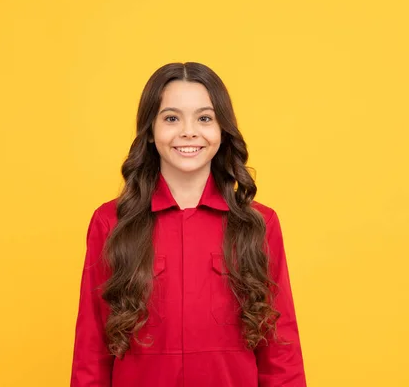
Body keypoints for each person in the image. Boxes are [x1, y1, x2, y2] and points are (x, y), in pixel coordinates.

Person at [70, 62, 306, 386]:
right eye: (171, 118)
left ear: (222, 131)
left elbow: (280, 350)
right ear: (150, 132)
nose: (188, 131)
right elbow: (91, 350)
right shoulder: (110, 223)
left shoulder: (259, 224)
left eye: (204, 118)